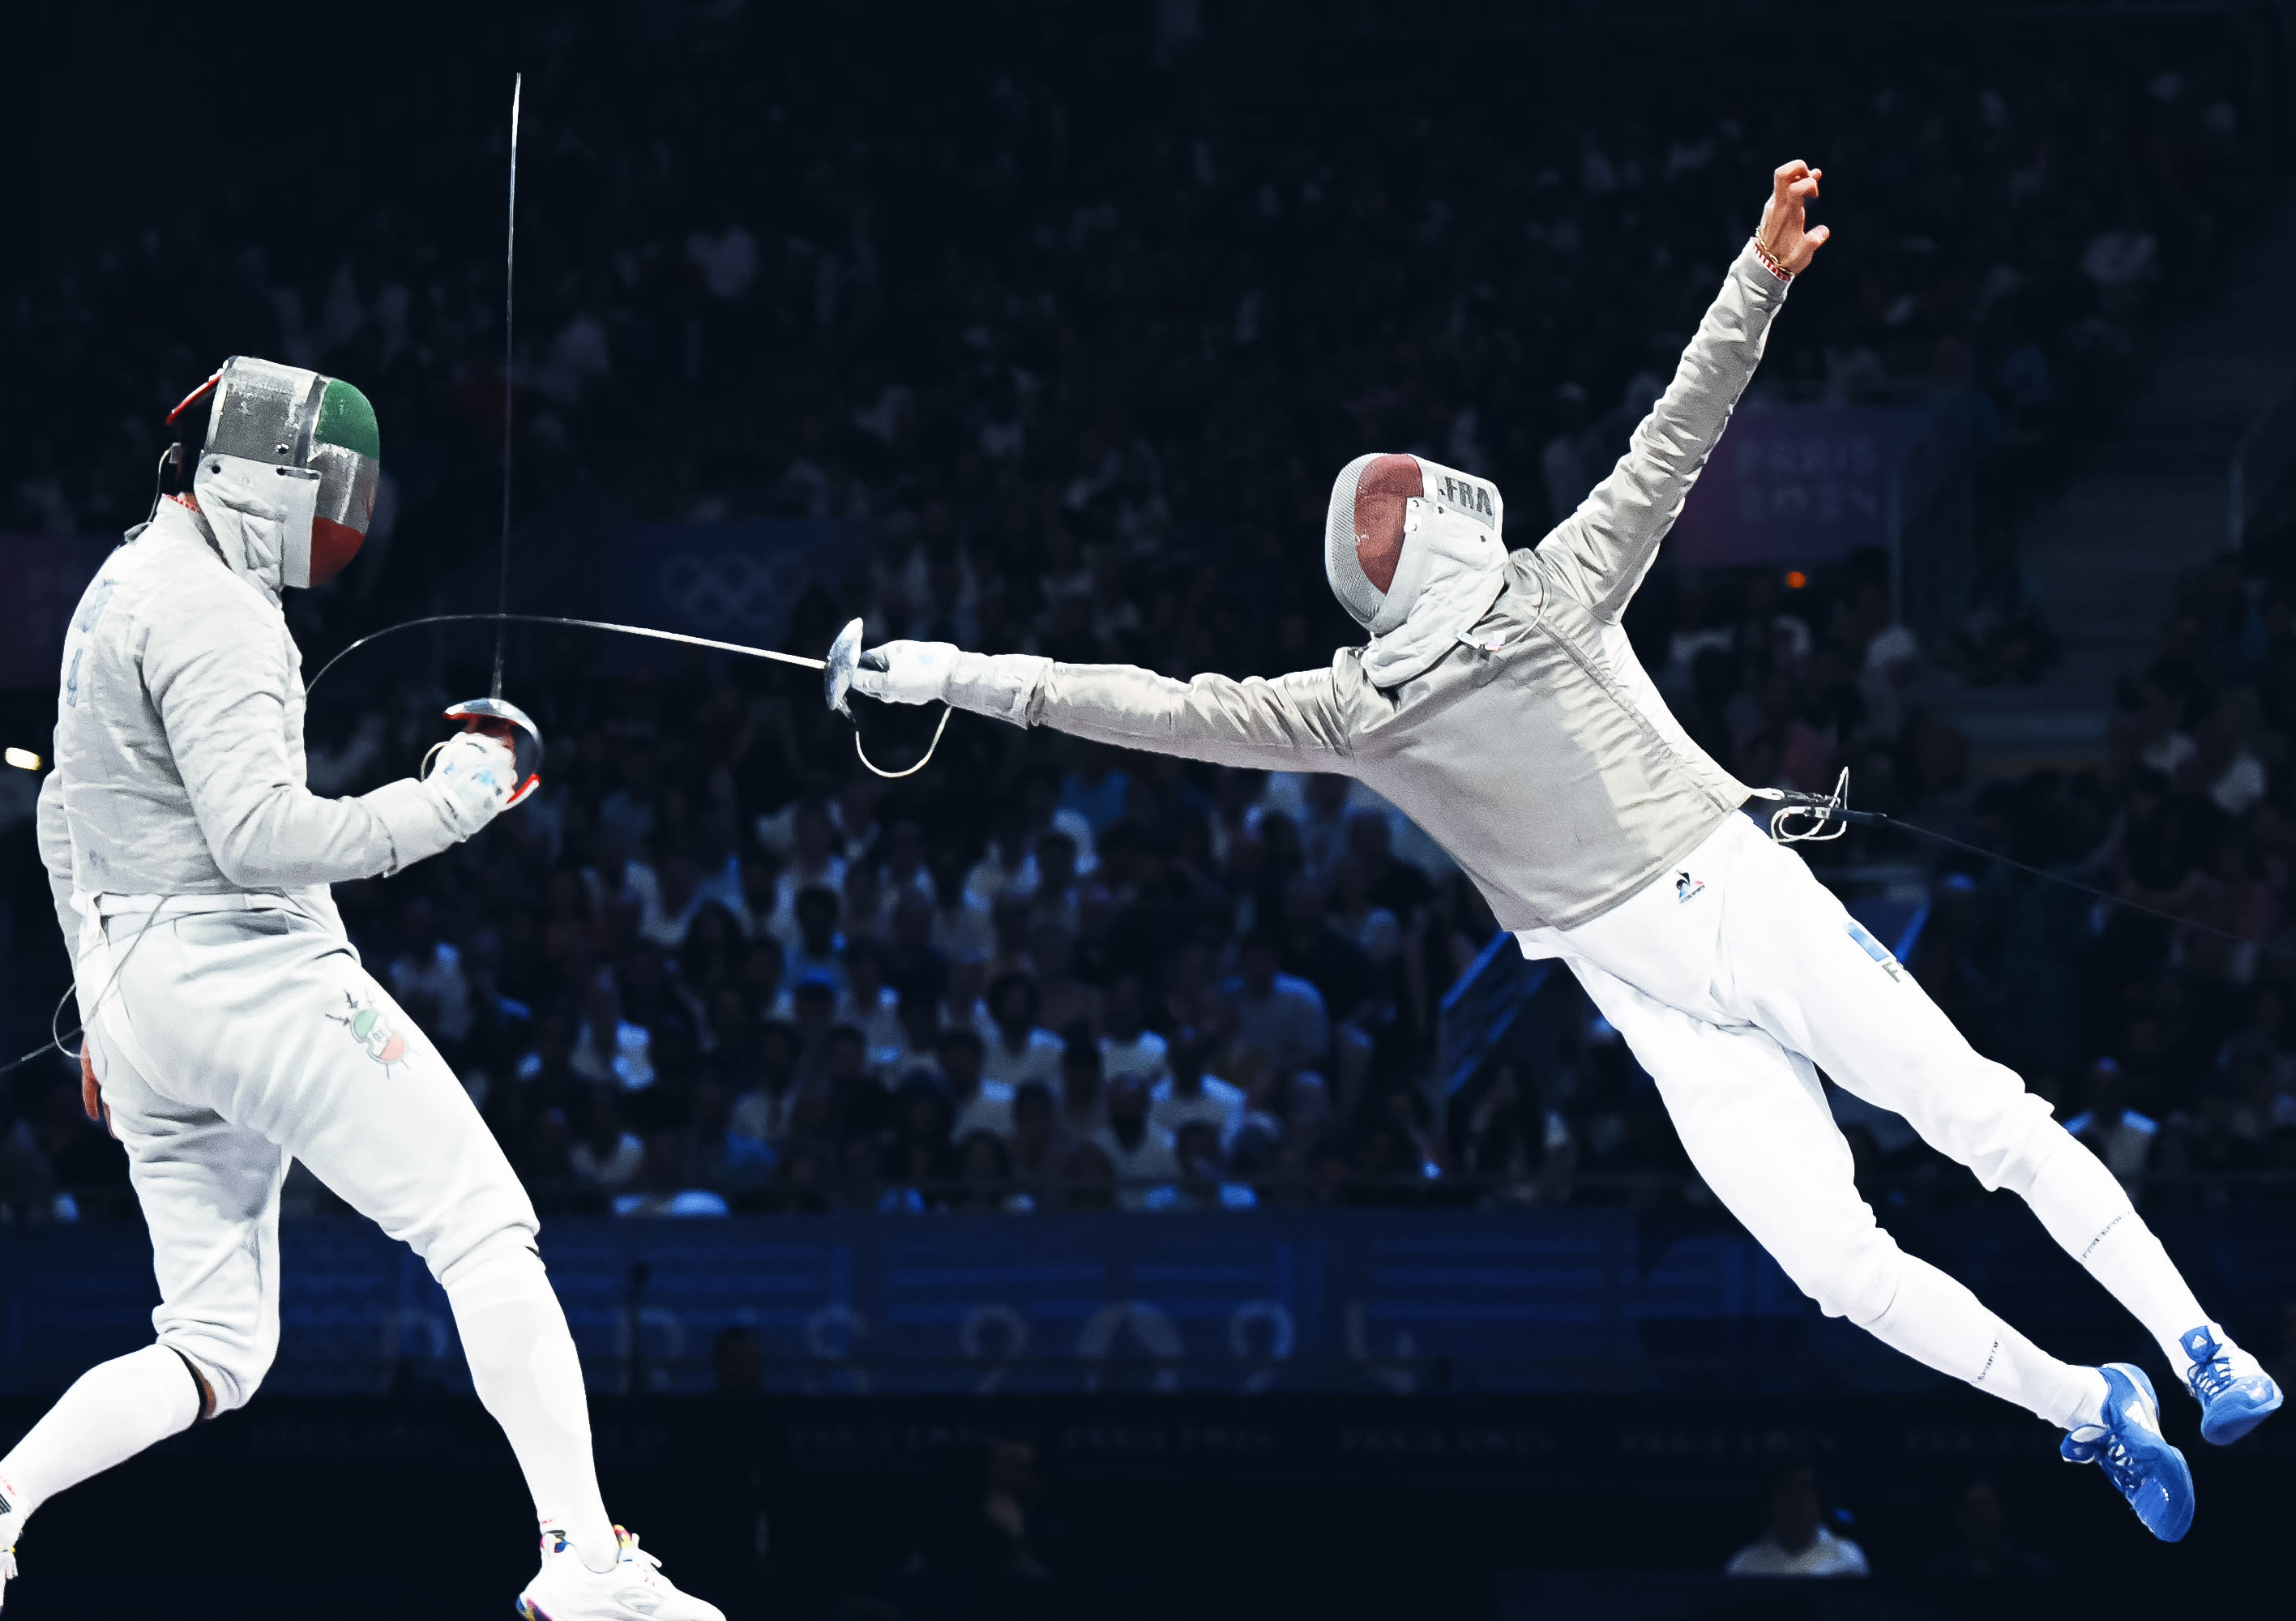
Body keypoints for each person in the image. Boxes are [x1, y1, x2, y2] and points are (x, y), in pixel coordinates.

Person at [849, 165, 2279, 1541]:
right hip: (1639, 990)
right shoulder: (1351, 709)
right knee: (1835, 1270)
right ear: (1400, 552)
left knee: (1980, 1117)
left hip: (1732, 895)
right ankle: (2088, 1407)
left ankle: (2196, 1344)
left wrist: (1756, 279)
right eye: (1399, 499)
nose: (1420, 487)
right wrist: (948, 672)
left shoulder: (1557, 589)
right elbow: (1147, 706)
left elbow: (1677, 433)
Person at [0, 360, 720, 1621]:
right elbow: (259, 839)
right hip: (247, 974)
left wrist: (104, 1014)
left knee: (216, 1347)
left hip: (140, 998)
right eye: (330, 483)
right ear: (253, 477)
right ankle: (584, 1561)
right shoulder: (217, 609)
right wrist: (457, 797)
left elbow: (65, 816)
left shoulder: (121, 585)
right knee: (481, 1225)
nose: (350, 513)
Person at [1724, 1465, 1870, 1578]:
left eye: (1805, 1489)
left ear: (1819, 1501)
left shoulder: (1847, 1557)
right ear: (1772, 1502)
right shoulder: (1744, 1563)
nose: (1796, 1499)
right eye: (1787, 1489)